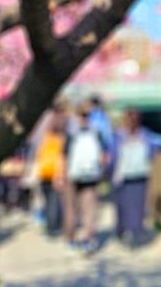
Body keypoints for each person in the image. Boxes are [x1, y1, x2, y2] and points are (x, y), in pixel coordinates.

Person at [63, 101, 110, 251]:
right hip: (91, 174)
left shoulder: (71, 132)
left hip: (73, 174)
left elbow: (64, 155)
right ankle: (88, 238)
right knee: (89, 208)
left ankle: (70, 239)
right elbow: (104, 155)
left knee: (71, 207)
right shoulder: (96, 131)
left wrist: (62, 173)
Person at [112, 108, 154, 246]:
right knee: (138, 204)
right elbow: (152, 151)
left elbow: (113, 154)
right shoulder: (145, 135)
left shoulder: (119, 135)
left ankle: (124, 229)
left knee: (123, 204)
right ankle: (136, 230)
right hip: (140, 175)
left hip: (122, 176)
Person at [33, 104, 67, 236]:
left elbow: (37, 152)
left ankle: (49, 223)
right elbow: (62, 156)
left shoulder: (44, 135)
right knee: (54, 199)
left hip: (44, 169)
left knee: (47, 199)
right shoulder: (62, 138)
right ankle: (53, 225)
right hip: (56, 171)